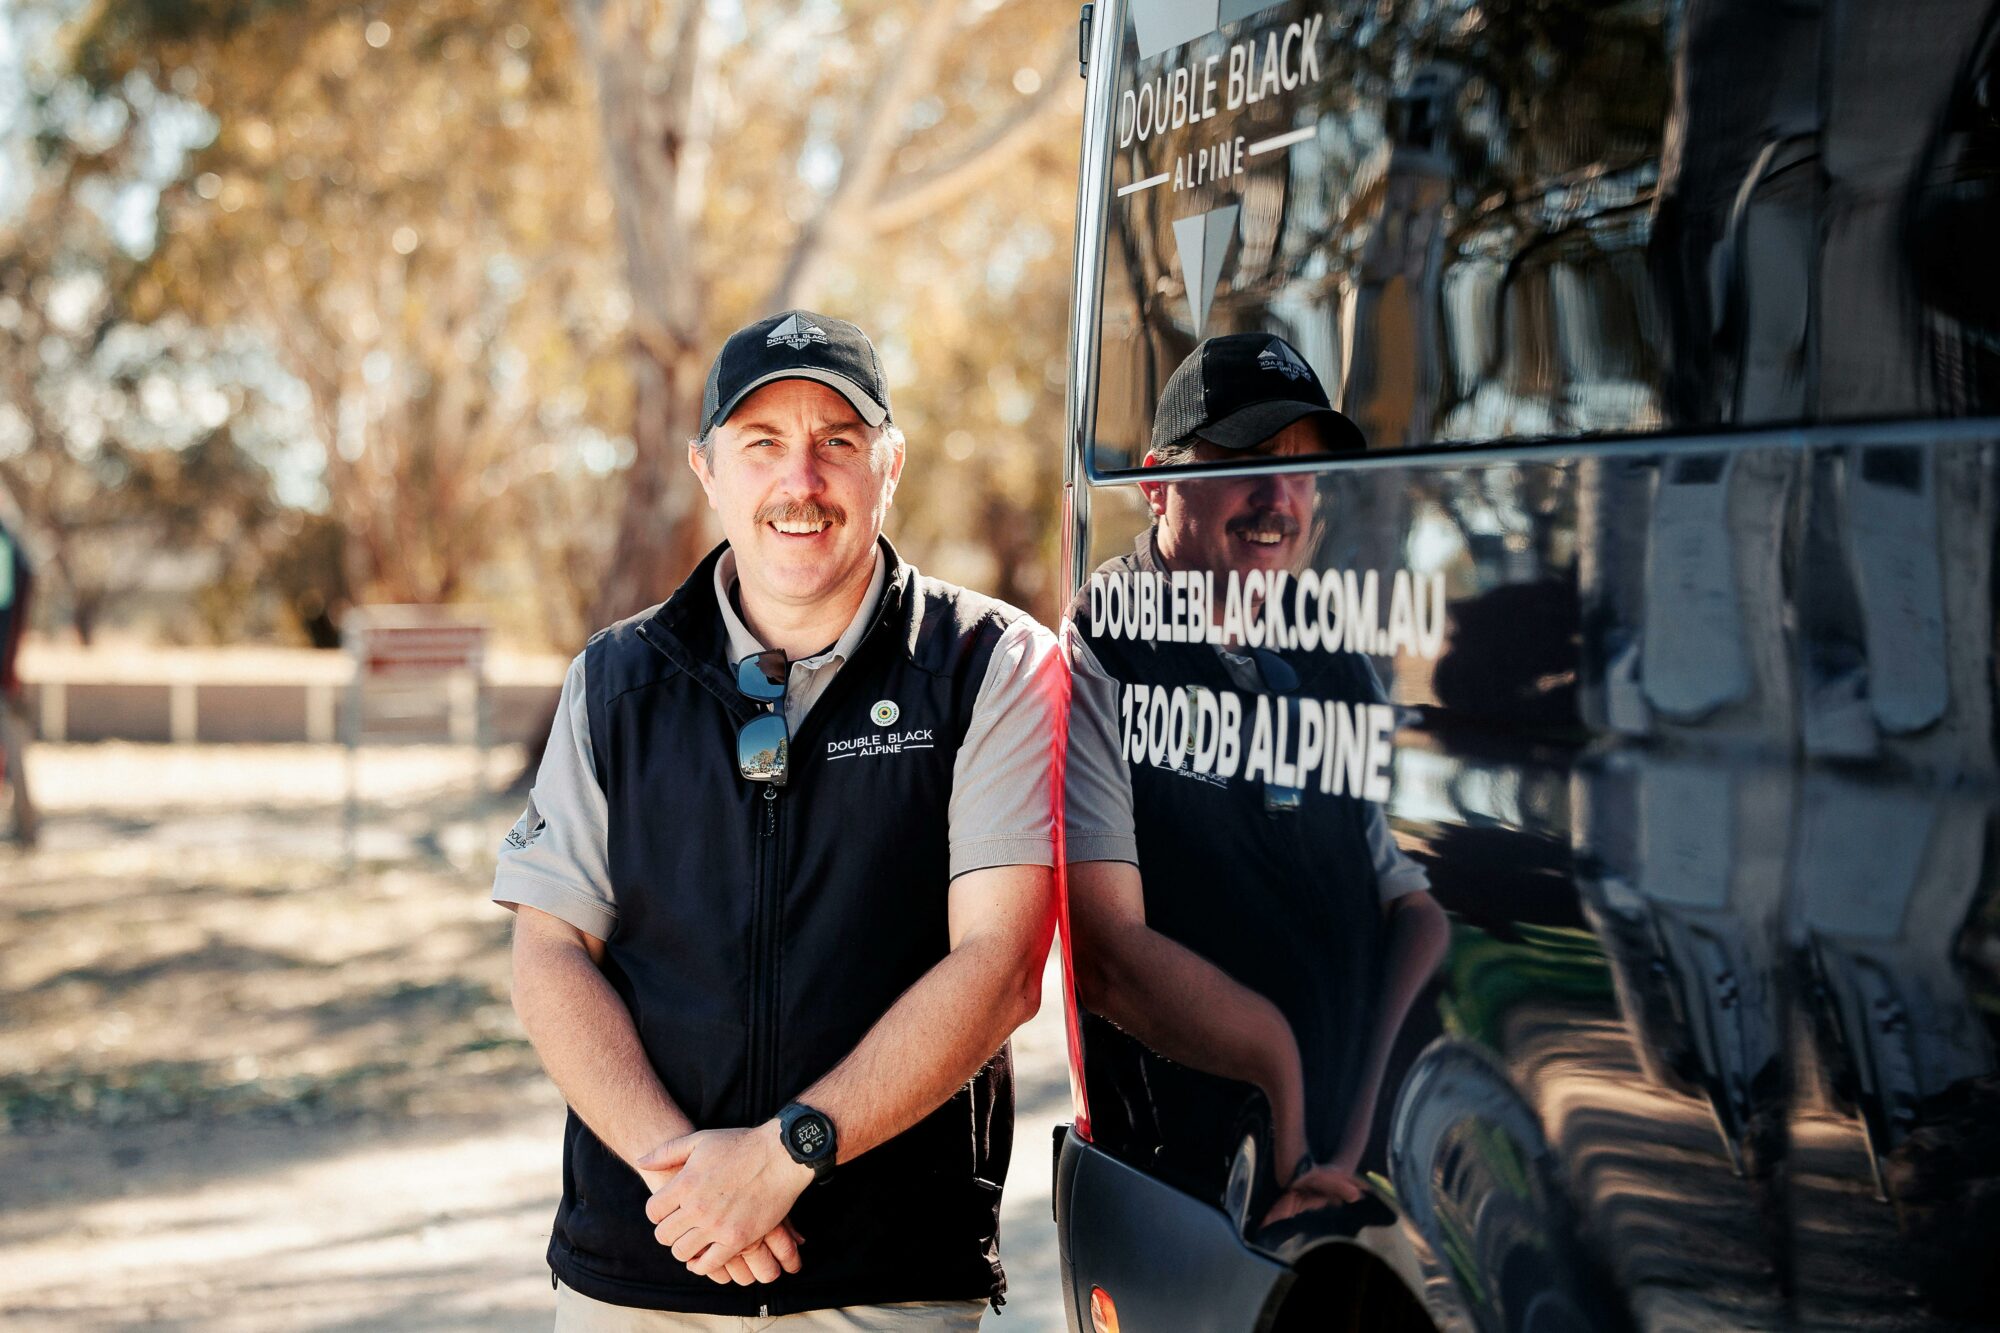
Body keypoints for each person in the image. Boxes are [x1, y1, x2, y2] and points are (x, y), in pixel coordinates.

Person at [493, 310, 1062, 1330]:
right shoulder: (615, 682)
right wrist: (694, 1183)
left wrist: (783, 1154)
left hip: (881, 1278)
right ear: (706, 469)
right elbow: (549, 953)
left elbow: (1000, 966)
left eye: (835, 442)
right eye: (761, 444)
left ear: (889, 466)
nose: (798, 480)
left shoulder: (988, 666)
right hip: (642, 1266)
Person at [1063, 332, 1448, 1229]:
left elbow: (1412, 912)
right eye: (1246, 461)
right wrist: (1278, 1071)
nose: (1279, 499)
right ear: (1155, 482)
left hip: (1336, 1179)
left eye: (1305, 471)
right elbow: (1109, 955)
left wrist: (1341, 1142)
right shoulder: (1098, 650)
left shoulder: (1334, 657)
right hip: (1185, 1191)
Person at [0, 514, 36, 848]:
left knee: (12, 748)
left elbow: (5, 608)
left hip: (2, 673)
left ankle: (26, 831)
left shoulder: (3, 544)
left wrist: (7, 665)